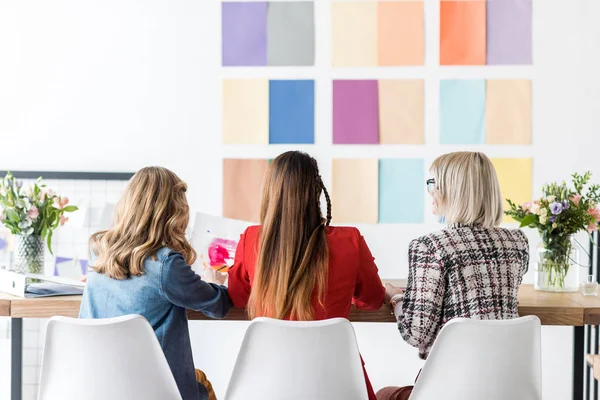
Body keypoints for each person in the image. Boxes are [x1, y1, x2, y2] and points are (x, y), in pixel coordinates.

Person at [227, 151, 385, 400]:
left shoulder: (251, 239)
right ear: (316, 192)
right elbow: (373, 300)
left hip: (269, 385)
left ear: (270, 192)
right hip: (338, 385)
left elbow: (237, 298)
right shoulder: (349, 240)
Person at [377, 152, 530, 400]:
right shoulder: (517, 243)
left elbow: (417, 333)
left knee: (383, 395)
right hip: (507, 388)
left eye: (433, 184)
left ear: (453, 190)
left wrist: (396, 298)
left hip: (450, 388)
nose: (430, 192)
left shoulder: (429, 246)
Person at [79, 167, 231, 400]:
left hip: (102, 387)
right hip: (157, 391)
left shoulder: (98, 252)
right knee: (201, 383)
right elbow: (218, 305)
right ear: (174, 212)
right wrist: (214, 282)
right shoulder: (166, 264)